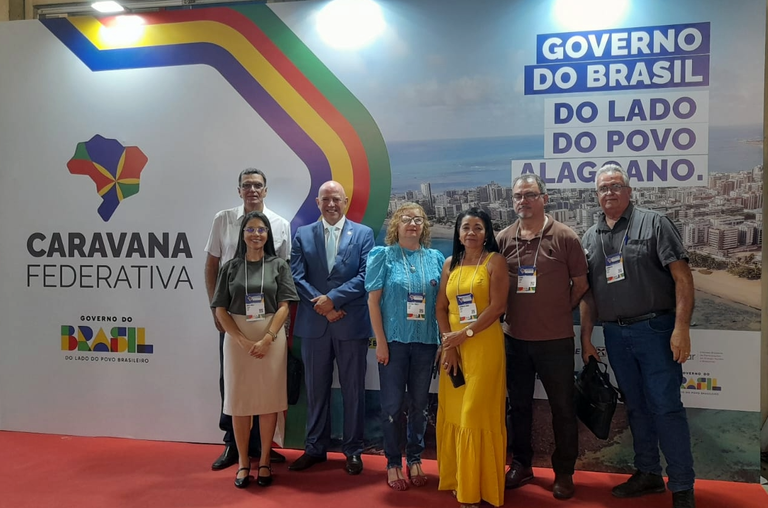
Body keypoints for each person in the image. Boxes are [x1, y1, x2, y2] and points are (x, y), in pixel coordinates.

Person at [579, 163, 696, 508]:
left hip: (656, 331)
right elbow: (588, 295)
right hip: (615, 334)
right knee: (637, 408)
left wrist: (681, 328)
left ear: (629, 191)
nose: (609, 193)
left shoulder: (654, 223)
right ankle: (648, 473)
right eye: (603, 188)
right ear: (596, 195)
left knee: (666, 407)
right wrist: (587, 339)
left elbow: (683, 279)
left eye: (616, 186)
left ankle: (682, 485)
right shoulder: (590, 237)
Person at [496, 174, 588, 500]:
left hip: (555, 341)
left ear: (544, 198)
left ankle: (564, 472)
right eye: (518, 196)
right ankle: (521, 464)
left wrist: (562, 309)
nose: (524, 201)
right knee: (517, 407)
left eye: (530, 195)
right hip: (515, 340)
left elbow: (581, 283)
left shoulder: (565, 237)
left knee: (563, 408)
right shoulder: (503, 239)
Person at [205, 168, 292, 471]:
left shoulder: (282, 224)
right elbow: (212, 264)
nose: (252, 190)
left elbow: (284, 275)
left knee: (267, 387)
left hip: (269, 323)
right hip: (234, 319)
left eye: (258, 185)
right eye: (246, 185)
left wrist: (273, 332)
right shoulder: (223, 219)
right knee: (234, 385)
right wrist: (217, 310)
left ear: (266, 190)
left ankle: (263, 449)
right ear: (238, 189)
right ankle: (234, 445)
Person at [289, 180, 375, 475]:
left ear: (346, 200)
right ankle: (315, 448)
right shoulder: (302, 234)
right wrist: (322, 305)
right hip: (315, 325)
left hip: (350, 324)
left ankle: (353, 450)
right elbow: (296, 276)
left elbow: (366, 275)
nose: (331, 204)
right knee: (316, 390)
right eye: (325, 199)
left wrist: (333, 299)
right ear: (317, 202)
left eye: (336, 199)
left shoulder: (364, 234)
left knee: (353, 390)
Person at [365, 203, 445, 491]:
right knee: (392, 406)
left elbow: (441, 305)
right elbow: (373, 303)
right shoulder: (382, 256)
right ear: (395, 225)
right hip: (394, 345)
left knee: (420, 405)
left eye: (418, 220)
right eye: (406, 219)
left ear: (424, 227)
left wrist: (441, 341)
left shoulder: (436, 258)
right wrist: (381, 343)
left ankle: (414, 458)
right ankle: (392, 462)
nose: (412, 224)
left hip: (426, 344)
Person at [435, 208, 509, 508]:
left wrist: (463, 335)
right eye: (465, 227)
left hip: (483, 345)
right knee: (454, 413)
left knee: (473, 415)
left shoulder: (496, 262)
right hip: (453, 348)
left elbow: (497, 308)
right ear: (458, 232)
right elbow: (441, 307)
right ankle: (457, 479)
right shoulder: (450, 264)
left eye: (478, 227)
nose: (471, 233)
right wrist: (449, 344)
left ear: (487, 232)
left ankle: (476, 488)